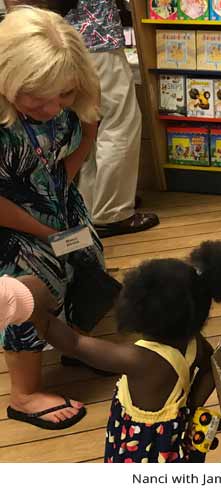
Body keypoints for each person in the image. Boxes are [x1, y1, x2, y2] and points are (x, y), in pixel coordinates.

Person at [35, 241, 221, 463]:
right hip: (171, 440)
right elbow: (209, 366)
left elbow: (75, 344)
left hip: (141, 450)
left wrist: (36, 312)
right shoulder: (193, 340)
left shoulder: (142, 359)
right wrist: (191, 407)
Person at [0, 6, 103, 429]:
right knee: (29, 288)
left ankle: (74, 346)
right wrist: (45, 230)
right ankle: (23, 392)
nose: (50, 107)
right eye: (36, 97)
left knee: (86, 263)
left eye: (61, 95)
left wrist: (64, 182)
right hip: (12, 221)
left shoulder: (70, 99)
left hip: (57, 201)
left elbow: (90, 125)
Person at [65, 0, 159, 238]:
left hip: (66, 39)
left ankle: (92, 203)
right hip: (98, 39)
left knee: (90, 125)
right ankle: (112, 212)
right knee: (119, 124)